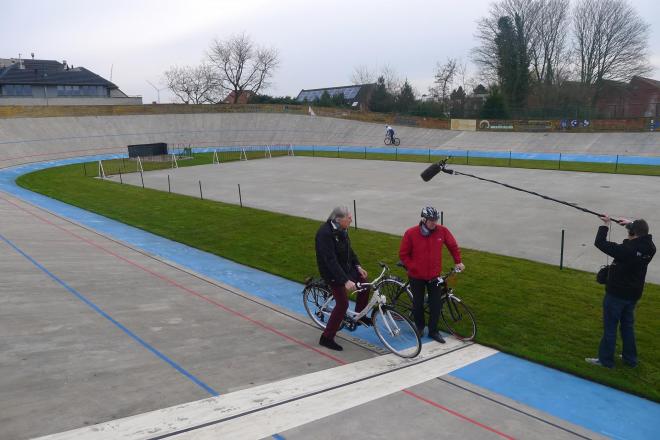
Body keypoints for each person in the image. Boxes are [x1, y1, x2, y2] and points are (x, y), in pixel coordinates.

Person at [587, 216, 655, 368]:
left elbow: (600, 243)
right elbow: (637, 239)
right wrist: (630, 224)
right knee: (627, 327)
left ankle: (605, 361)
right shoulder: (650, 247)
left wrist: (605, 225)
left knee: (610, 328)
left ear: (633, 233)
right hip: (633, 295)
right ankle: (630, 359)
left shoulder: (626, 250)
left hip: (616, 294)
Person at [399, 206, 465, 343]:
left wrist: (458, 261)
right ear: (423, 219)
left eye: (435, 220)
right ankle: (420, 326)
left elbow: (453, 246)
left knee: (436, 305)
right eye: (431, 220)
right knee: (418, 304)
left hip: (434, 276)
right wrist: (413, 267)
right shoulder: (411, 233)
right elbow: (403, 254)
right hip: (416, 276)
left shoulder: (442, 231)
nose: (434, 223)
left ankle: (433, 331)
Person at [315, 206, 370, 351]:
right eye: (349, 217)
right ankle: (326, 337)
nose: (351, 219)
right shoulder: (325, 234)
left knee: (365, 284)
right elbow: (330, 261)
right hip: (332, 273)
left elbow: (349, 251)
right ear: (339, 220)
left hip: (345, 268)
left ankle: (360, 315)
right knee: (342, 304)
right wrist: (345, 281)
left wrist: (357, 266)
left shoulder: (342, 229)